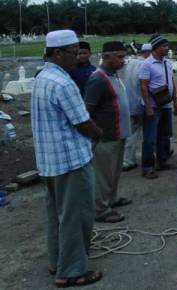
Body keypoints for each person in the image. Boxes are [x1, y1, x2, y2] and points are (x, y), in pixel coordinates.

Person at [31, 30, 103, 287]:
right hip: (71, 161)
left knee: (57, 215)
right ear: (58, 53)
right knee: (76, 216)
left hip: (50, 162)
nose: (78, 58)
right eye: (73, 53)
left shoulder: (42, 77)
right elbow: (82, 121)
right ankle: (72, 271)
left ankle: (57, 261)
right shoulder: (64, 83)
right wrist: (98, 133)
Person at [85, 41, 132, 223]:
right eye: (119, 57)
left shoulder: (113, 76)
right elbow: (88, 110)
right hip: (105, 137)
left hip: (118, 135)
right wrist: (95, 133)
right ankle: (100, 209)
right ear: (106, 57)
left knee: (113, 173)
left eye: (124, 56)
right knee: (103, 176)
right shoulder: (98, 79)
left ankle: (111, 199)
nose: (123, 61)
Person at [139, 34, 177, 179]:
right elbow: (143, 86)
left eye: (167, 45)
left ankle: (162, 161)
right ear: (155, 48)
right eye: (164, 46)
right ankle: (147, 166)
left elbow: (172, 83)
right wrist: (148, 107)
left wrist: (175, 101)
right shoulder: (146, 64)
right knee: (150, 137)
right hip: (153, 106)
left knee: (165, 135)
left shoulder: (167, 63)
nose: (167, 48)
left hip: (166, 104)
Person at [122, 43, 152, 171]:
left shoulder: (130, 63)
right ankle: (150, 156)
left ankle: (128, 159)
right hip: (142, 103)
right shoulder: (145, 65)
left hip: (130, 102)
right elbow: (143, 86)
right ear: (148, 53)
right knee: (149, 132)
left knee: (132, 134)